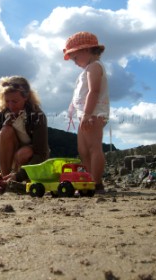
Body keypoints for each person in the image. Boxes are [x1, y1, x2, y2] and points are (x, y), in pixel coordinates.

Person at [0, 75, 49, 183]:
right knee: (6, 131)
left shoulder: (38, 116)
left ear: (26, 97)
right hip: (8, 156)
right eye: (7, 101)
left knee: (23, 153)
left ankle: (21, 179)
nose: (10, 106)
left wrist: (19, 176)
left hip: (32, 160)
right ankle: (6, 179)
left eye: (15, 101)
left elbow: (41, 153)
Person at [63, 31, 110, 193]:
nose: (74, 62)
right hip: (86, 114)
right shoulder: (87, 69)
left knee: (93, 147)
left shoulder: (94, 67)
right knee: (83, 150)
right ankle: (89, 180)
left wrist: (88, 114)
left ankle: (96, 183)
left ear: (87, 50)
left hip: (94, 114)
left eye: (75, 57)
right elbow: (80, 94)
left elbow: (94, 91)